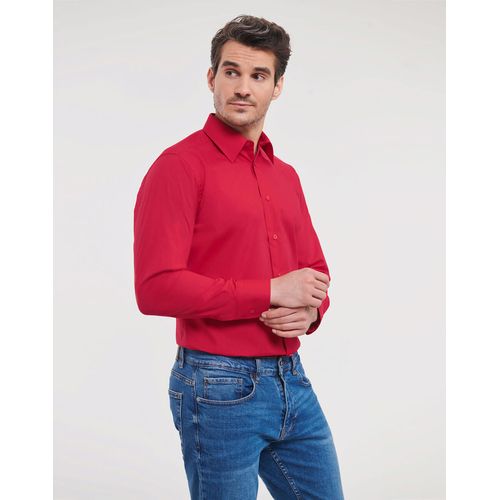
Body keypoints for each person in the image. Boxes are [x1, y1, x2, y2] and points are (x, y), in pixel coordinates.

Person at [133, 14, 345, 500]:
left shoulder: (284, 175)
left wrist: (310, 312)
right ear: (212, 78)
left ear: (277, 87)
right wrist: (269, 292)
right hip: (217, 384)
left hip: (292, 380)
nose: (243, 87)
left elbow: (314, 273)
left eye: (258, 75)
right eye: (232, 72)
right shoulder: (179, 167)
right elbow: (154, 288)